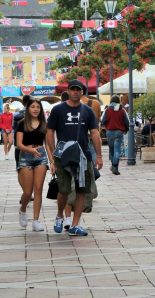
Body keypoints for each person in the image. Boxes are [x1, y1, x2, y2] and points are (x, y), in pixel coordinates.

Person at [46, 80, 103, 236]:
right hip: (63, 155)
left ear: (82, 92)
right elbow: (49, 131)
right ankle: (60, 215)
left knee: (81, 190)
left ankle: (75, 224)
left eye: (79, 90)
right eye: (73, 89)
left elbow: (95, 132)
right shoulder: (58, 110)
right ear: (68, 91)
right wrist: (52, 154)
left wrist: (98, 156)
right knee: (63, 189)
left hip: (83, 155)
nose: (76, 92)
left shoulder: (88, 111)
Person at [16, 98, 53, 231]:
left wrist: (52, 161)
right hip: (26, 156)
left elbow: (48, 144)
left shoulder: (44, 124)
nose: (36, 109)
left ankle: (36, 220)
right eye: (33, 107)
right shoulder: (22, 124)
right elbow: (19, 144)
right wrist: (30, 150)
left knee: (38, 188)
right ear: (28, 109)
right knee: (27, 191)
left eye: (38, 107)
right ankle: (23, 209)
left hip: (41, 156)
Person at [101, 95, 130, 175]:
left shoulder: (107, 109)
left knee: (111, 149)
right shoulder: (122, 110)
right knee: (117, 150)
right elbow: (126, 121)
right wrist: (126, 130)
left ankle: (113, 165)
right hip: (119, 132)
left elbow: (103, 120)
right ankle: (115, 167)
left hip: (109, 132)